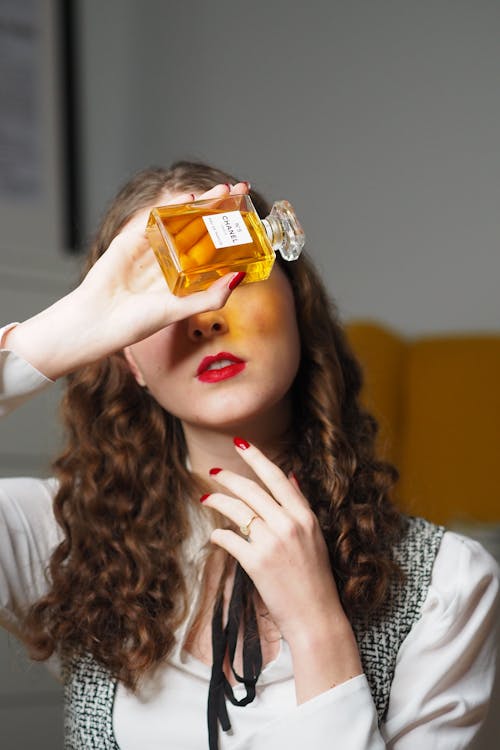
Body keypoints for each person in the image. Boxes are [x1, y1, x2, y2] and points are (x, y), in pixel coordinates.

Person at [0, 160, 498, 750]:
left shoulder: (448, 586)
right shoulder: (59, 542)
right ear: (127, 359)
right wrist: (55, 336)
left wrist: (318, 628)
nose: (205, 316)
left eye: (233, 272)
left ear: (296, 303)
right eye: (166, 293)